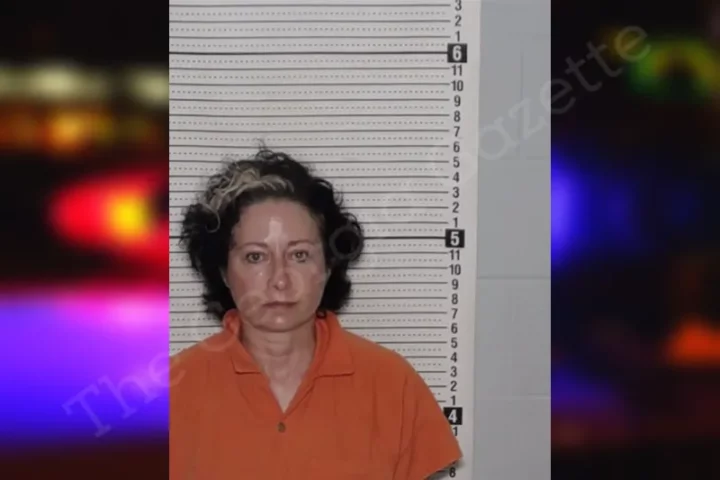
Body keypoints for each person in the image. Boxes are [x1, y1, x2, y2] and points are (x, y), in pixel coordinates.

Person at [169, 148, 462, 479]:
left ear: (328, 264)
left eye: (299, 255)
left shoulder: (394, 384)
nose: (280, 280)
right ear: (223, 270)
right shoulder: (169, 392)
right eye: (255, 257)